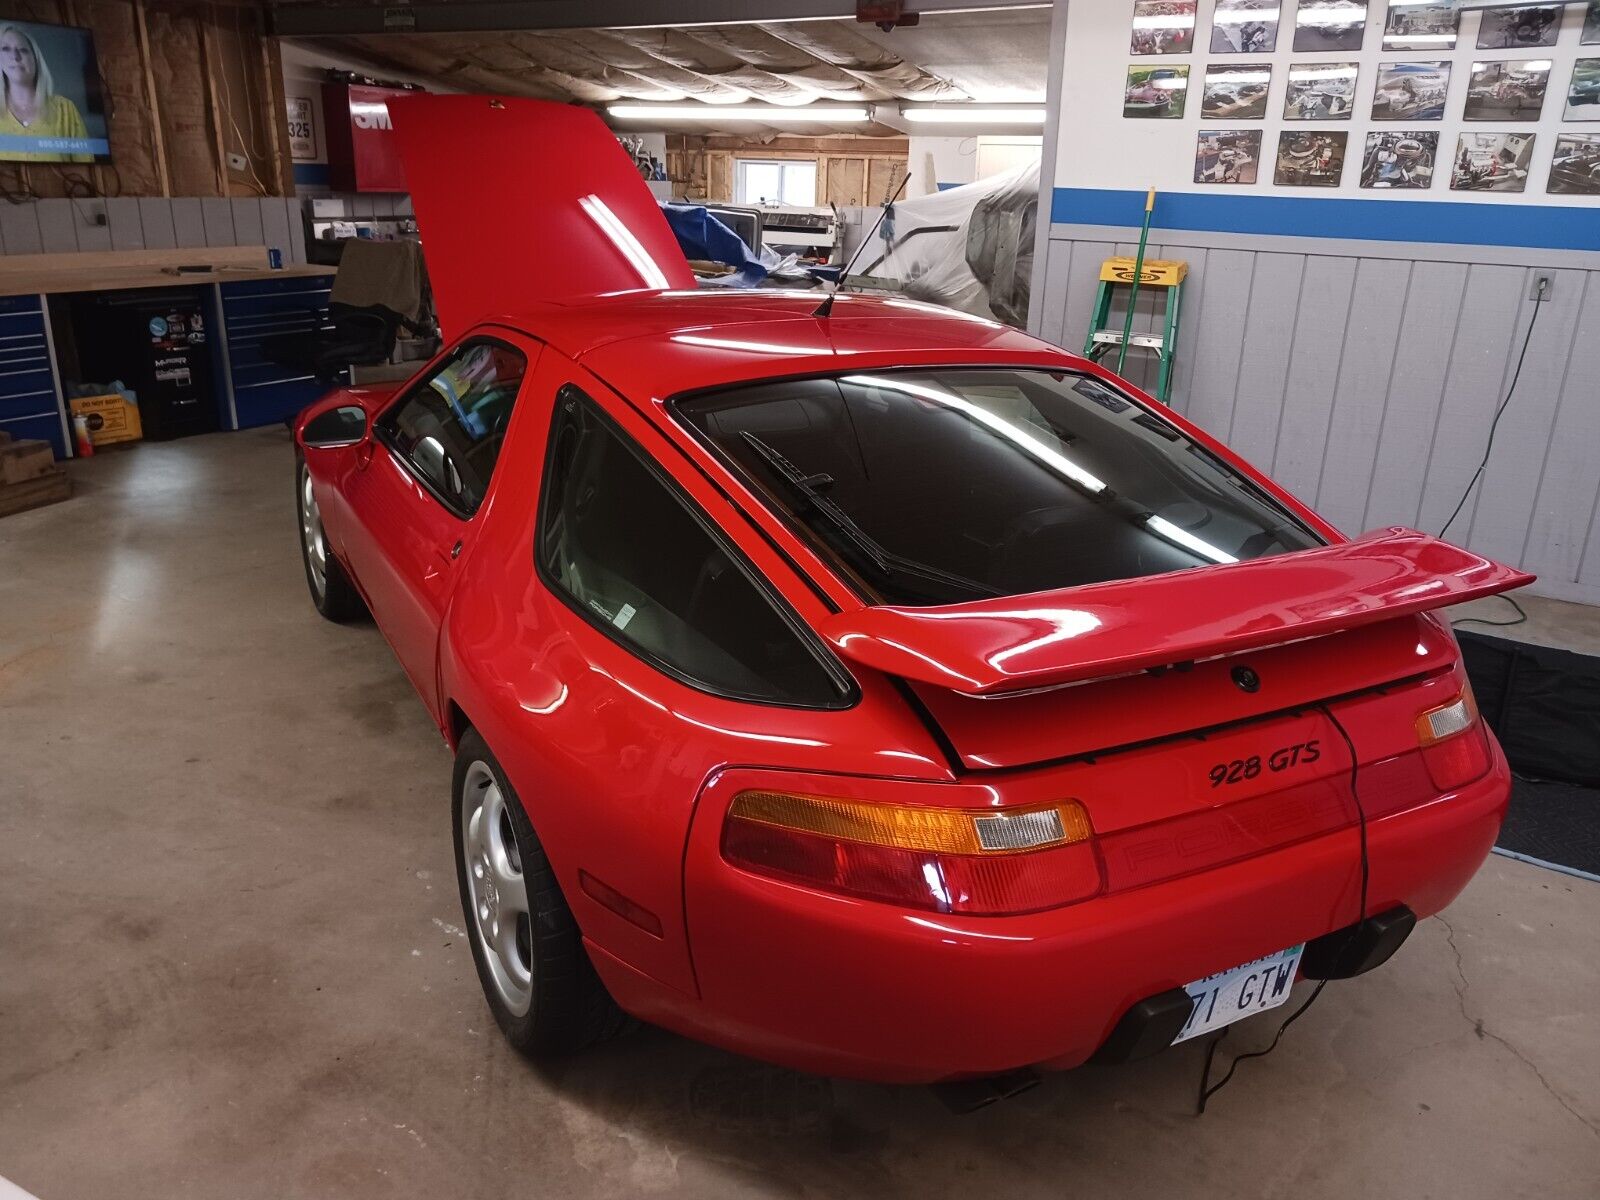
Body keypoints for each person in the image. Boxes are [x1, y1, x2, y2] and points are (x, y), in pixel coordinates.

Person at [0, 24, 91, 163]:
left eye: (23, 50)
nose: (15, 56)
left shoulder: (65, 109)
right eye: (5, 49)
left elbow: (87, 164)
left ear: (36, 59)